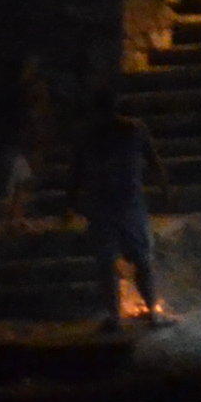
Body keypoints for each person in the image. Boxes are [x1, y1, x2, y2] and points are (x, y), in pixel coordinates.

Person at [79, 104, 169, 322]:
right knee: (110, 261)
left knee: (137, 259)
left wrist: (163, 186)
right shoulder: (90, 135)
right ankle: (116, 315)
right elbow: (78, 169)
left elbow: (153, 160)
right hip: (107, 204)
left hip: (127, 203)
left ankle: (147, 310)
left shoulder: (133, 131)